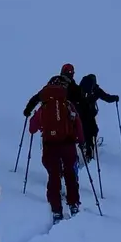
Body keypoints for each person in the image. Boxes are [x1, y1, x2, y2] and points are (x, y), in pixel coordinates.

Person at [24, 64, 84, 219]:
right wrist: (81, 141)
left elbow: (32, 128)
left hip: (50, 145)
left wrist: (29, 112)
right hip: (68, 143)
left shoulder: (44, 106)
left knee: (54, 175)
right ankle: (73, 204)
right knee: (70, 173)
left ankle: (56, 209)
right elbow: (77, 123)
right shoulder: (68, 104)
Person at [73, 72, 120, 164]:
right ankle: (89, 153)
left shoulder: (79, 89)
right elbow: (107, 98)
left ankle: (82, 144)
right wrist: (116, 98)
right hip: (90, 116)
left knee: (82, 131)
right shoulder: (96, 90)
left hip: (79, 115)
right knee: (92, 132)